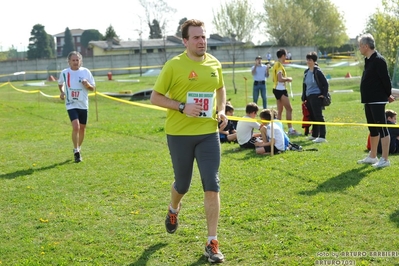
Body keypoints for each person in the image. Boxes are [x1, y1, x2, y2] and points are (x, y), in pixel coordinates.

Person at [150, 19, 226, 263]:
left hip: (208, 133)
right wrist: (182, 106)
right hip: (180, 134)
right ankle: (173, 209)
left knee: (212, 185)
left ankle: (211, 242)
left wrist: (222, 110)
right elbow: (155, 97)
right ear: (185, 41)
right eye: (196, 37)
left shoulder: (215, 63)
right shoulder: (174, 66)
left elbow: (220, 89)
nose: (202, 41)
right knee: (182, 185)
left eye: (203, 37)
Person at [357, 33, 395, 168]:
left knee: (382, 129)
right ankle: (372, 156)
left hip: (377, 100)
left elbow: (386, 80)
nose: (359, 48)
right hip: (368, 100)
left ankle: (385, 159)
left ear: (366, 46)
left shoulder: (379, 60)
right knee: (372, 129)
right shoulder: (368, 60)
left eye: (360, 46)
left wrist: (387, 94)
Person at [58, 51, 95, 163]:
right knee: (76, 127)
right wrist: (62, 92)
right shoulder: (65, 72)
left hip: (83, 104)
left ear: (80, 61)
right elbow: (60, 83)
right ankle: (76, 151)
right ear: (69, 61)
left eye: (77, 60)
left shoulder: (86, 72)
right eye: (73, 60)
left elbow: (93, 88)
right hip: (71, 103)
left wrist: (87, 85)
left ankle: (78, 147)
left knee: (82, 128)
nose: (75, 62)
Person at [301, 51, 329, 143]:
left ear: (314, 61)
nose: (308, 61)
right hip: (309, 97)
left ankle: (322, 136)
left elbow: (325, 84)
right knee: (312, 116)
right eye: (307, 60)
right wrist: (304, 96)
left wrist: (323, 95)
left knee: (318, 116)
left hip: (316, 96)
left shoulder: (318, 72)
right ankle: (314, 135)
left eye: (310, 60)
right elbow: (304, 85)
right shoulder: (306, 72)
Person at [272, 48, 300, 136]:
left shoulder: (276, 64)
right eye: (286, 55)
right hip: (280, 89)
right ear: (283, 55)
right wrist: (288, 79)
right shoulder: (279, 65)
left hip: (276, 89)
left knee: (280, 110)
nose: (287, 57)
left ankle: (279, 129)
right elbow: (280, 79)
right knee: (289, 109)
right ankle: (290, 129)